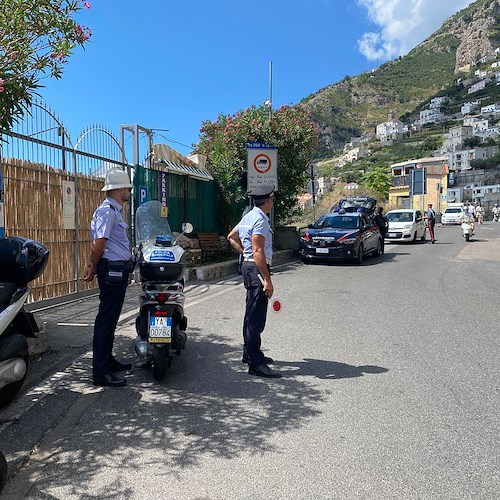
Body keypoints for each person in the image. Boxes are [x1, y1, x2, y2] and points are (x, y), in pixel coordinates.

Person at [83, 168, 134, 387]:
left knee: (111, 318)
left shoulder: (115, 210)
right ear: (120, 189)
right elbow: (98, 244)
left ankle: (108, 361)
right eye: (128, 189)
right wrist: (93, 266)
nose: (129, 192)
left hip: (118, 269)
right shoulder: (107, 211)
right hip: (111, 270)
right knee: (105, 320)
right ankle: (100, 372)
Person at [227, 183, 281, 378]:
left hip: (250, 266)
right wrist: (267, 280)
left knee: (251, 313)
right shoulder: (260, 220)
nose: (272, 202)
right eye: (272, 199)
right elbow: (258, 251)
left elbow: (231, 237)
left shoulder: (248, 216)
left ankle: (249, 353)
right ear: (268, 201)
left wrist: (245, 254)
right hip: (257, 268)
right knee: (256, 316)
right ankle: (255, 363)